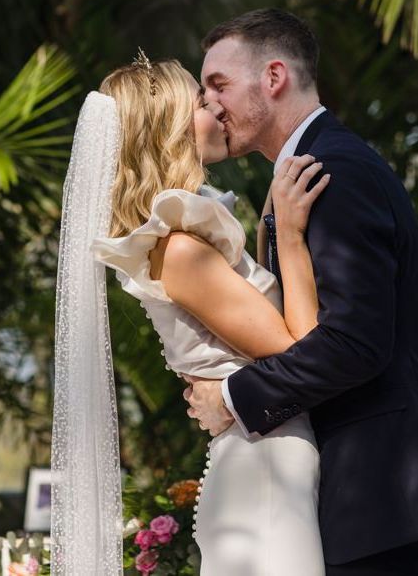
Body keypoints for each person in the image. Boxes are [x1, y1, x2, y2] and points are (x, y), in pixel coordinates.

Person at [51, 48, 328, 575]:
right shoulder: (180, 250)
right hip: (264, 467)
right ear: (170, 130)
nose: (218, 109)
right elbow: (303, 353)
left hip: (265, 456)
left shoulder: (184, 239)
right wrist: (291, 237)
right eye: (203, 101)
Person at [186, 8, 418, 575]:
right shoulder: (305, 175)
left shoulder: (333, 173)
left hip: (380, 500)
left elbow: (355, 341)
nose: (210, 104)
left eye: (219, 84)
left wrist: (234, 397)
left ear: (273, 77)